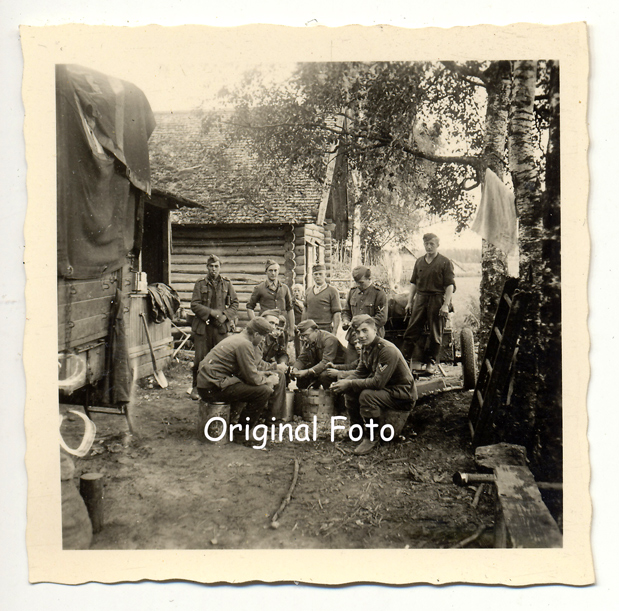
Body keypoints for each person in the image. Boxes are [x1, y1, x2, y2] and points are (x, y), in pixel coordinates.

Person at [331, 315, 417, 455]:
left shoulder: (386, 350)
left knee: (367, 396)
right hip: (387, 391)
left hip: (402, 394)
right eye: (357, 332)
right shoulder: (367, 348)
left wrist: (349, 382)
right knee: (350, 390)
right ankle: (357, 430)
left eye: (365, 330)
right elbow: (360, 373)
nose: (361, 336)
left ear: (375, 330)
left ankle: (371, 438)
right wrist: (342, 383)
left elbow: (377, 383)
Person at [196, 318, 287, 435]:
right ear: (256, 334)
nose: (263, 340)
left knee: (255, 387)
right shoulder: (245, 344)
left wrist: (264, 375)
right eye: (263, 337)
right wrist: (268, 380)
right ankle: (241, 432)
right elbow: (252, 378)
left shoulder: (238, 338)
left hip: (209, 384)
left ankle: (237, 424)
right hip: (213, 388)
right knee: (264, 391)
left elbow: (247, 372)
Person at [400, 233, 455, 374]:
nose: (429, 247)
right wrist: (409, 302)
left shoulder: (445, 262)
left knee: (435, 333)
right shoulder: (419, 262)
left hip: (437, 299)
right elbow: (413, 283)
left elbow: (450, 285)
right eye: (426, 244)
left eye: (432, 244)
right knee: (411, 330)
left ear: (437, 245)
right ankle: (403, 362)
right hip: (420, 298)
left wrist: (445, 305)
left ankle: (431, 363)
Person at [190, 254, 239, 400]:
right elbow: (194, 304)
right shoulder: (200, 283)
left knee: (222, 358)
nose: (213, 269)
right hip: (203, 327)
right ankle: (196, 387)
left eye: (216, 266)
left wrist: (225, 316)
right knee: (200, 359)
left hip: (220, 328)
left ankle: (219, 387)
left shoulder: (227, 284)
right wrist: (211, 313)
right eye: (211, 266)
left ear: (220, 267)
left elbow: (235, 303)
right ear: (207, 267)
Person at [341, 265, 388, 364]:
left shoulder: (379, 294)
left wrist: (363, 325)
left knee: (371, 366)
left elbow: (382, 318)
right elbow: (346, 311)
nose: (358, 285)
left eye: (361, 282)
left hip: (371, 338)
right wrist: (346, 321)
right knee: (349, 365)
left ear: (369, 279)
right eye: (356, 282)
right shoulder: (352, 292)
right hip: (354, 337)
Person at [292, 319, 346, 389]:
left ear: (316, 331)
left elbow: (326, 362)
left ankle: (331, 394)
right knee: (301, 378)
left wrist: (307, 371)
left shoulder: (329, 339)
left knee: (324, 375)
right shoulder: (310, 341)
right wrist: (295, 369)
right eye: (302, 336)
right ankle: (306, 395)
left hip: (337, 367)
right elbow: (302, 358)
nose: (304, 339)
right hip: (321, 367)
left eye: (306, 335)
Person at [246, 259, 295, 332]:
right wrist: (256, 324)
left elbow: (290, 308)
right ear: (266, 272)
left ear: (278, 271)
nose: (273, 273)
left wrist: (291, 328)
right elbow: (250, 307)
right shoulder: (259, 288)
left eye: (275, 270)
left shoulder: (285, 288)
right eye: (270, 270)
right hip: (265, 327)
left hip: (281, 326)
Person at [303, 264, 342, 332]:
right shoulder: (308, 291)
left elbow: (337, 313)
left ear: (325, 275)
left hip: (325, 328)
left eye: (320, 274)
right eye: (315, 274)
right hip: (310, 329)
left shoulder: (332, 291)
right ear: (312, 276)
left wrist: (334, 331)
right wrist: (303, 327)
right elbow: (305, 310)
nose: (318, 276)